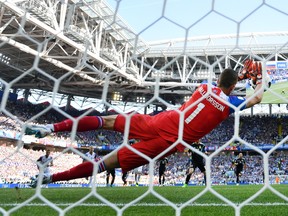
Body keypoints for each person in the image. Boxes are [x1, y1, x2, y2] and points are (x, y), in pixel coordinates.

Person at [26, 60, 265, 187]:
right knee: (108, 163)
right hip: (170, 141)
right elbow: (257, 97)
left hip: (162, 121)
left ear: (218, 80)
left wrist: (241, 76)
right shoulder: (229, 105)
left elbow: (225, 82)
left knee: (107, 121)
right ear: (233, 88)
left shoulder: (204, 86)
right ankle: (49, 179)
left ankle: (50, 128)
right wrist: (260, 80)